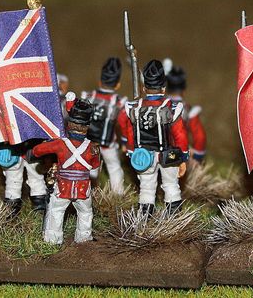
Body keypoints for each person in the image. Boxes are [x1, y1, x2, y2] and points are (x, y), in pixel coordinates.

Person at [123, 60, 189, 215]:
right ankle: (174, 217)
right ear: (164, 88)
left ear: (144, 88)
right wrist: (183, 157)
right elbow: (180, 135)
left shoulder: (134, 108)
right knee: (171, 185)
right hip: (168, 156)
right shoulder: (172, 108)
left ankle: (144, 217)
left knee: (146, 187)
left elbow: (130, 134)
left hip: (143, 156)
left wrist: (132, 153)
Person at [33, 97, 101, 244]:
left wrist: (48, 142)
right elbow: (95, 168)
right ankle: (84, 239)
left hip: (63, 186)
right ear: (87, 126)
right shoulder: (93, 147)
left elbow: (36, 151)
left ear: (69, 124)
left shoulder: (60, 144)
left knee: (56, 211)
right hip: (83, 188)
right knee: (85, 212)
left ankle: (53, 240)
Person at [82, 57, 128, 194]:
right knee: (114, 167)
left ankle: (88, 191)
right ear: (117, 85)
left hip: (89, 141)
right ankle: (118, 194)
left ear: (100, 81)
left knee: (90, 166)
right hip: (108, 143)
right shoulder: (118, 102)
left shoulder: (88, 96)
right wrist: (125, 141)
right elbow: (123, 123)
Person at [163, 58, 207, 162]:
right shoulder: (189, 110)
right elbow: (200, 137)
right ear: (183, 91)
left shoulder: (159, 105)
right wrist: (197, 156)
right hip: (180, 152)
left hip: (159, 152)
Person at [0, 141, 48, 217]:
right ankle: (12, 208)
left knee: (35, 178)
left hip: (30, 151)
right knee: (14, 181)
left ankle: (40, 205)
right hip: (13, 153)